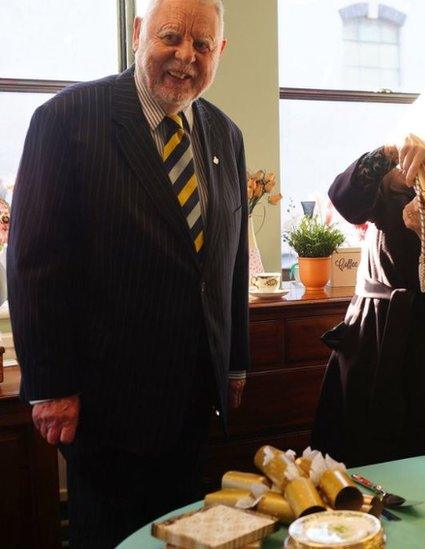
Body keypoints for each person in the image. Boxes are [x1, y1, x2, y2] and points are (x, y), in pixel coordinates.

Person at [8, 0, 248, 545]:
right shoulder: (67, 121)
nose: (186, 56)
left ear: (220, 52)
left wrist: (234, 365)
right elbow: (34, 263)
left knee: (182, 537)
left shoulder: (224, 135)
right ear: (138, 33)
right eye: (171, 37)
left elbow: (227, 261)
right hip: (106, 406)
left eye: (202, 45)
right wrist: (49, 386)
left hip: (192, 400)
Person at [311, 90, 425, 466]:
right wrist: (388, 154)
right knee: (364, 462)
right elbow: (343, 199)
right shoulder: (389, 182)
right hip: (376, 341)